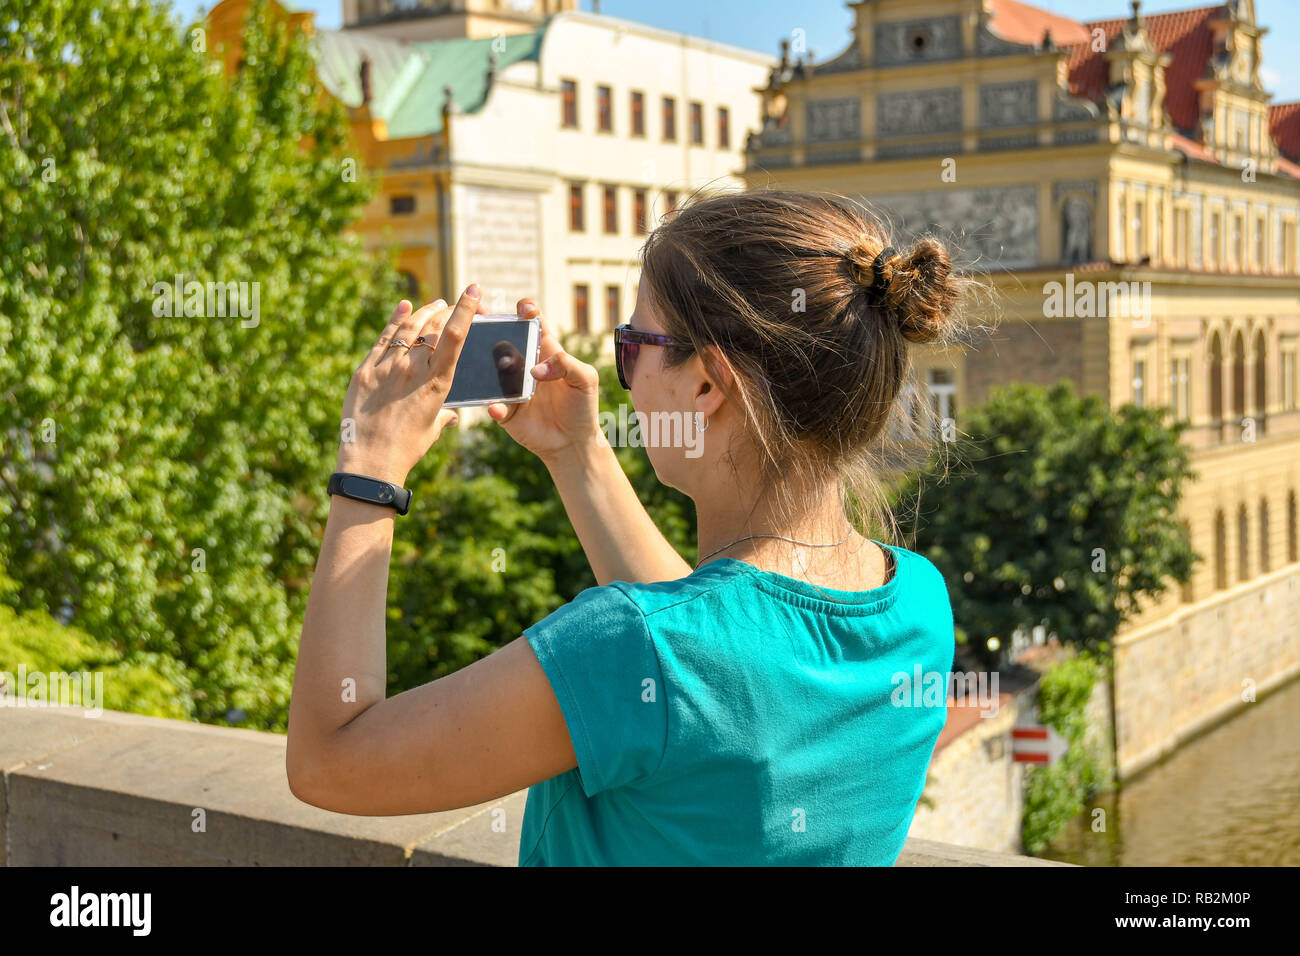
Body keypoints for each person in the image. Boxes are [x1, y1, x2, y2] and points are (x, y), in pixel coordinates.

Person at [286, 189, 964, 866]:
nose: (625, 377)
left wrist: (369, 473)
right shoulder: (921, 608)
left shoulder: (631, 649)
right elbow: (714, 657)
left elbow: (330, 759)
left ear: (705, 386)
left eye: (635, 345)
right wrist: (575, 452)